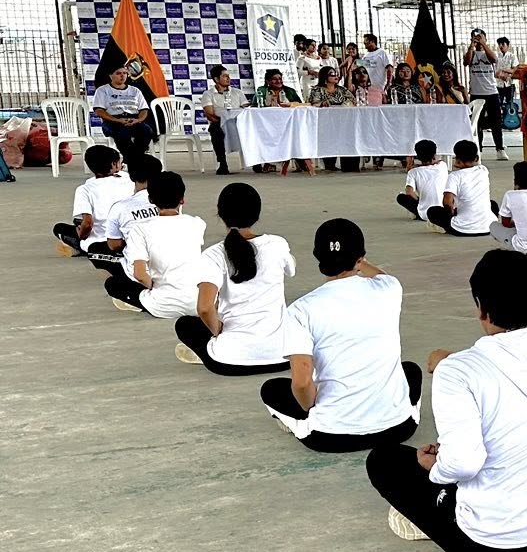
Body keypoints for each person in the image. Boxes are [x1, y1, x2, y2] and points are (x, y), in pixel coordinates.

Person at [370, 250, 527, 552]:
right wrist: (452, 363)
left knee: (384, 460)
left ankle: (433, 519)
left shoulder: (458, 372)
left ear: (481, 309)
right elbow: (514, 376)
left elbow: (463, 464)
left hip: (491, 547)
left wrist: (436, 468)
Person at [262, 219, 422, 451]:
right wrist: (359, 261)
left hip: (331, 437)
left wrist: (312, 410)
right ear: (360, 258)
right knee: (410, 370)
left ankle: (301, 423)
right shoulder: (390, 289)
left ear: (317, 257)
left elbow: (302, 382)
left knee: (271, 389)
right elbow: (380, 275)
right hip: (399, 428)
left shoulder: (301, 310)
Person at [173, 183, 296, 375]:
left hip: (230, 363)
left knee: (185, 325)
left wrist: (216, 330)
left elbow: (204, 308)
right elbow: (291, 269)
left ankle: (207, 351)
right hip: (284, 358)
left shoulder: (214, 255)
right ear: (257, 214)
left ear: (220, 213)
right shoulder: (277, 244)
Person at [102, 171, 206, 317]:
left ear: (150, 199)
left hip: (161, 305)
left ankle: (139, 303)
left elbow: (139, 274)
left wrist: (154, 287)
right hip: (198, 302)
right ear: (182, 199)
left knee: (113, 284)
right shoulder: (197, 223)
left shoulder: (140, 229)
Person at [53, 143, 129, 259]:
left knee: (60, 228)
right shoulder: (128, 179)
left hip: (102, 241)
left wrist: (81, 235)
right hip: (130, 237)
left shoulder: (85, 188)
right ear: (114, 164)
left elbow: (88, 224)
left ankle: (79, 247)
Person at [95, 153, 162, 278]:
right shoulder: (170, 202)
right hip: (169, 260)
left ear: (131, 177)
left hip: (140, 266)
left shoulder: (120, 207)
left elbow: (114, 244)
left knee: (95, 249)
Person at [93, 62, 155, 169]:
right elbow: (99, 111)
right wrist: (118, 120)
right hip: (112, 121)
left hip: (133, 119)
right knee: (123, 133)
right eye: (118, 73)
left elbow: (144, 110)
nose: (122, 76)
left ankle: (130, 161)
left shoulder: (135, 91)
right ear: (111, 76)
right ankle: (135, 162)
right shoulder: (102, 90)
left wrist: (138, 120)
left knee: (146, 131)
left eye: (125, 73)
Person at [428, 140, 494, 237]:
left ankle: (450, 225)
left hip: (462, 229)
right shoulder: (483, 170)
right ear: (476, 158)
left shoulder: (454, 176)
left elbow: (447, 202)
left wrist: (451, 214)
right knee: (492, 204)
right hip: (488, 227)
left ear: (457, 159)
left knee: (433, 211)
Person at [462, 29, 506, 157]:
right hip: (476, 93)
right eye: (475, 37)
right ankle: (478, 149)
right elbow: (466, 62)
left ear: (485, 39)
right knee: (477, 122)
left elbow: (494, 59)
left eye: (480, 37)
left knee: (496, 122)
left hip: (491, 92)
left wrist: (483, 44)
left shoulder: (490, 52)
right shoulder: (471, 52)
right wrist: (472, 45)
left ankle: (500, 148)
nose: (478, 40)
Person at [200, 64, 246, 176]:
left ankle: (256, 163)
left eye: (228, 76)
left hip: (239, 123)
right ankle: (222, 164)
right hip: (220, 123)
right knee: (215, 129)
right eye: (225, 76)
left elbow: (246, 108)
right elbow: (210, 114)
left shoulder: (237, 92)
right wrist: (224, 120)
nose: (228, 78)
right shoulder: (208, 94)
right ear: (216, 79)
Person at [397, 140, 449, 223]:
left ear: (418, 156)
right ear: (434, 155)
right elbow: (437, 161)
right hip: (443, 210)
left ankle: (418, 211)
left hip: (424, 214)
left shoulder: (413, 172)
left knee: (401, 197)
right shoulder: (443, 165)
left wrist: (409, 164)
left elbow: (409, 192)